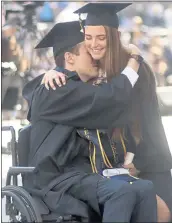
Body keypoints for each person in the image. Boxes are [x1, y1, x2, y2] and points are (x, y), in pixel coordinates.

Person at [42, 3, 172, 221]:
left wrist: (133, 162)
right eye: (89, 37)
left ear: (115, 35)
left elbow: (139, 122)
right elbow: (72, 75)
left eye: (101, 37)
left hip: (146, 159)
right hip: (108, 167)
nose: (94, 44)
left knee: (160, 212)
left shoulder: (136, 70)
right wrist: (54, 71)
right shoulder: (91, 70)